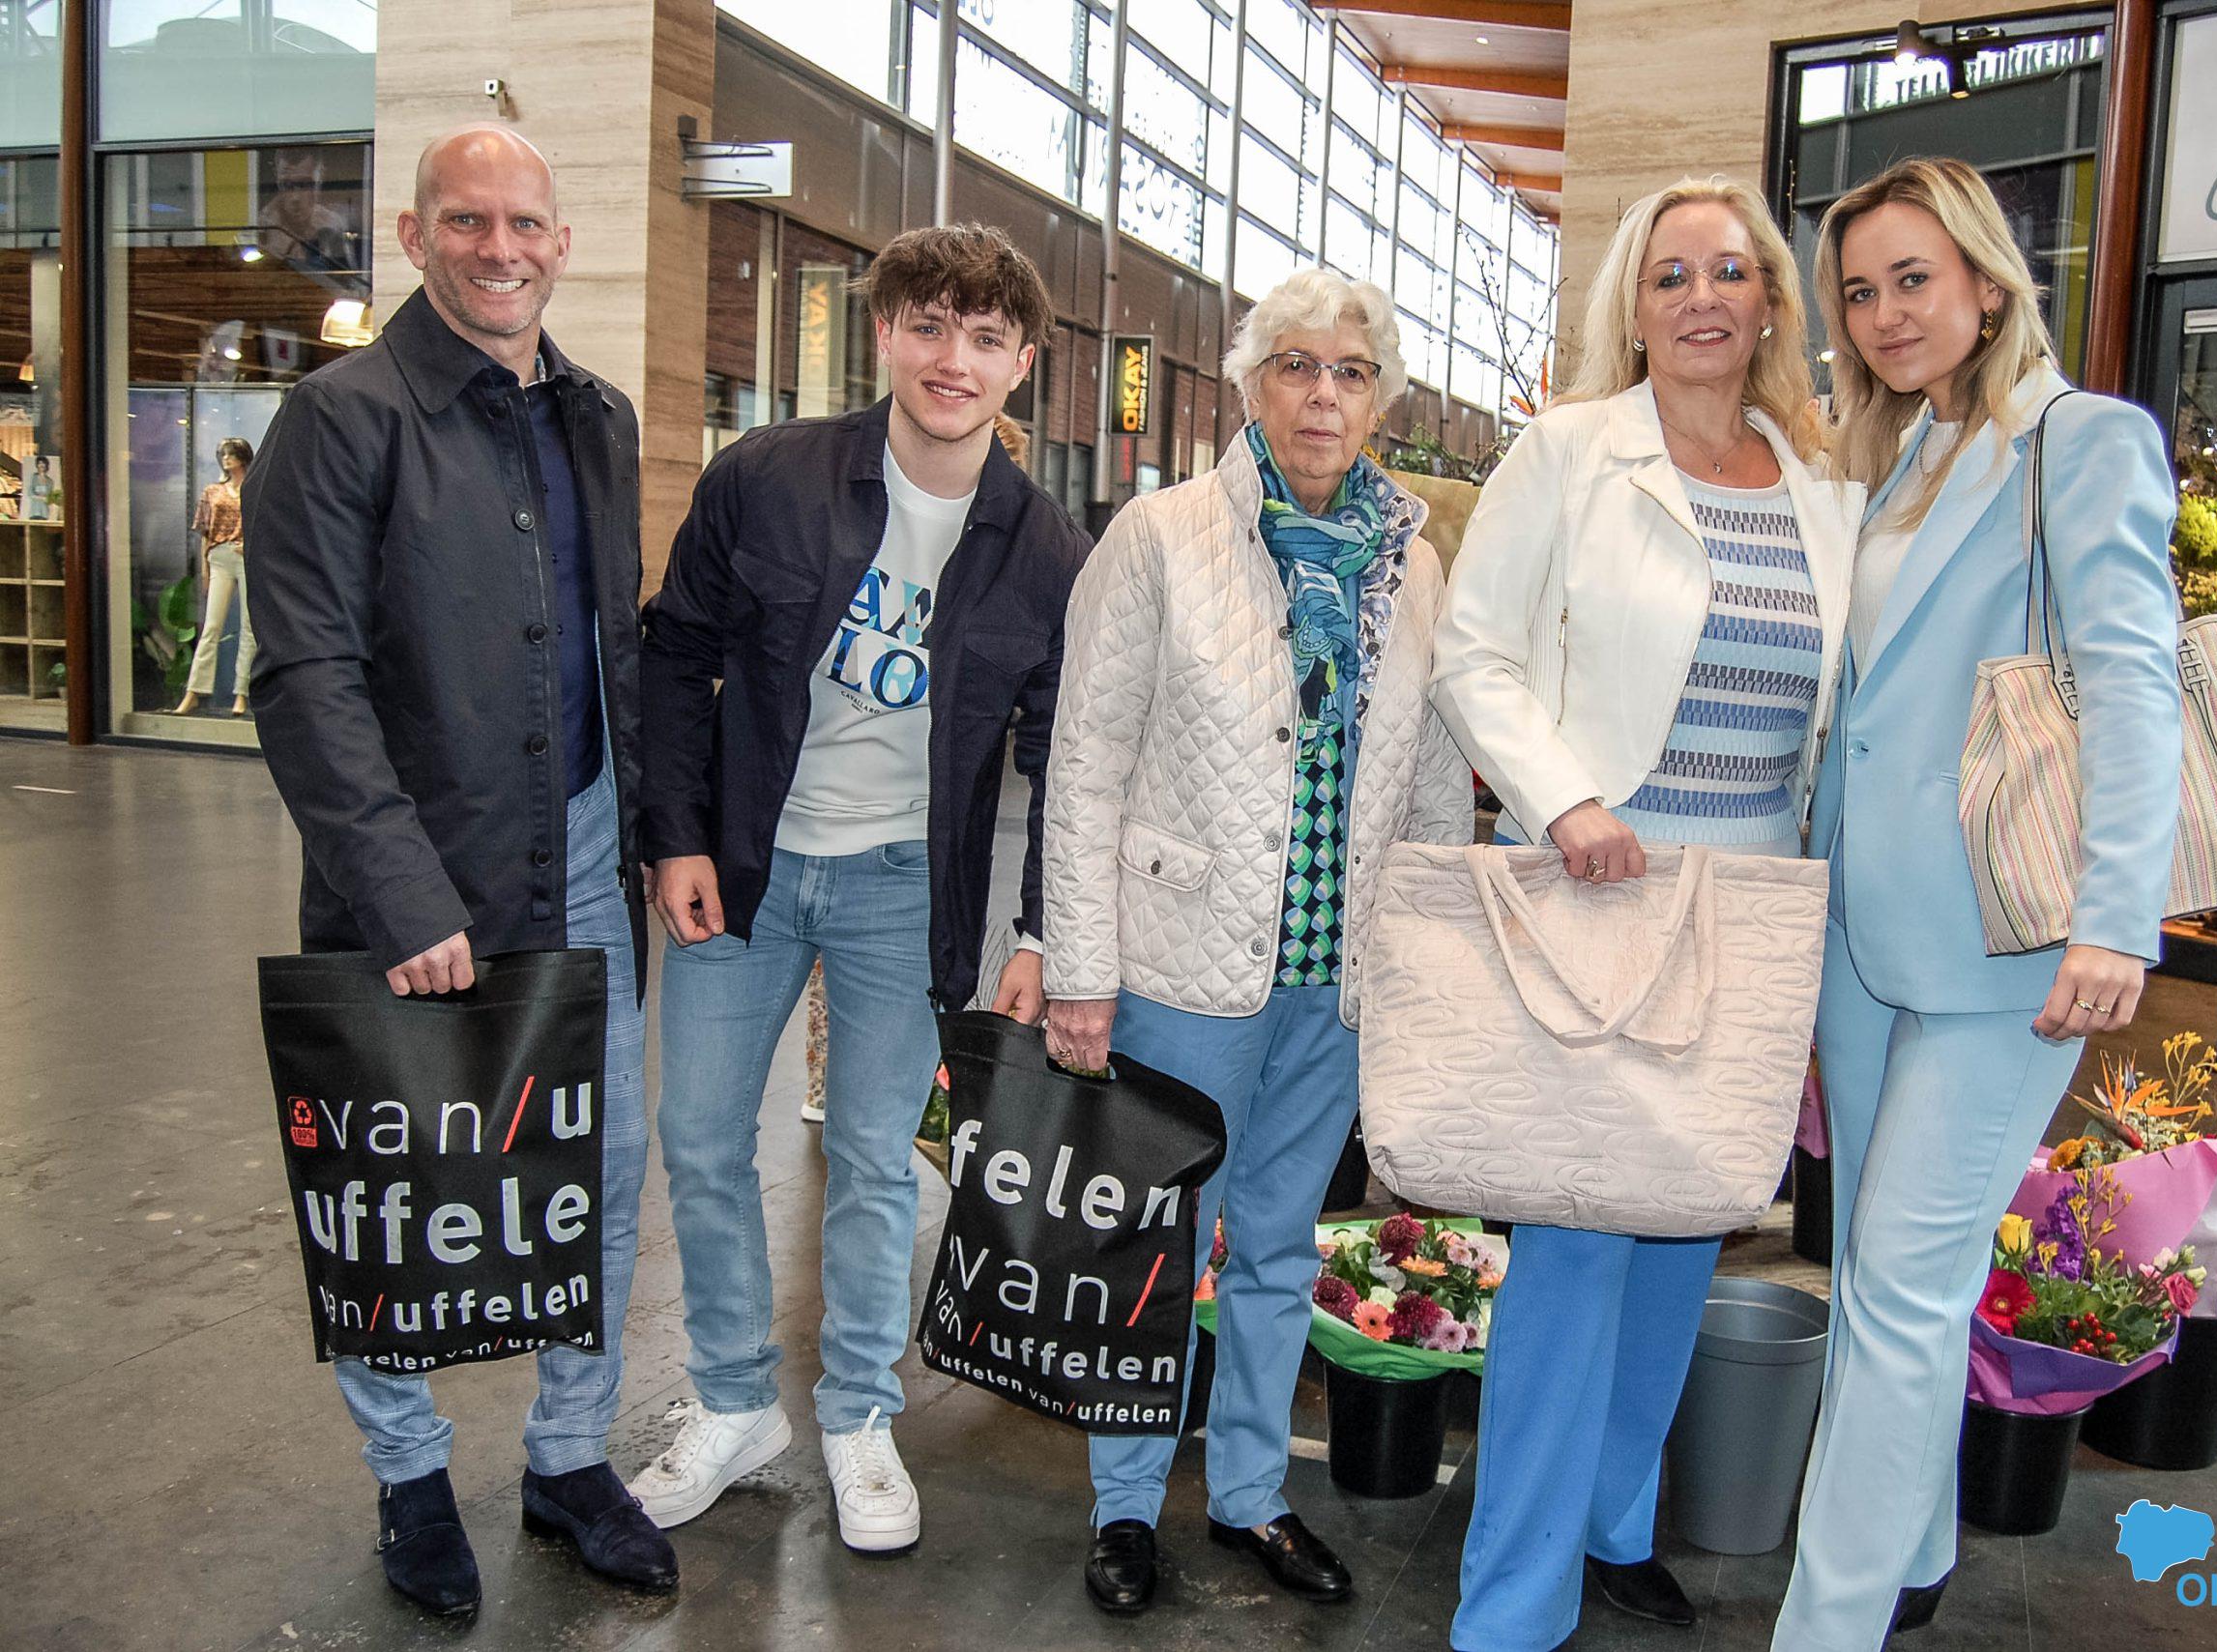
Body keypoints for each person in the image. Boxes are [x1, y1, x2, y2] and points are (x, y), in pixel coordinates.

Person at [1428, 177, 1863, 1652]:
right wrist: (1564, 801)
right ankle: (1513, 1598)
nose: (1701, 298)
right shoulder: (1567, 453)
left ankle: (1617, 1523)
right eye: (1671, 275)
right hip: (1597, 886)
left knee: (1685, 1238)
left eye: (1729, 271)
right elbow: (1475, 656)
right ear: (1634, 305)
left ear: (1770, 300)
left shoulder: (1821, 483)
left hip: (1748, 909)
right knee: (1572, 1251)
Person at [248, 124, 673, 1618]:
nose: (502, 249)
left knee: (595, 1181)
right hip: (418, 883)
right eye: (469, 221)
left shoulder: (600, 417)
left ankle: (569, 1457)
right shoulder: (339, 419)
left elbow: (616, 650)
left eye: (526, 223)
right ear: (415, 234)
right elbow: (305, 677)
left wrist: (659, 836)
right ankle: (411, 1475)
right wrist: (402, 890)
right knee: (398, 1195)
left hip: (587, 866)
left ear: (562, 241)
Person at [1774, 157, 2182, 1651]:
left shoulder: (2080, 439)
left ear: (1987, 281)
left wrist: (2117, 916)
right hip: (1862, 937)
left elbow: (2134, 683)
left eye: (1914, 278)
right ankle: (1918, 1546)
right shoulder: (1894, 461)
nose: (1885, 313)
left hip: (2010, 946)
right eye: (1858, 291)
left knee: (1898, 1288)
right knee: (1881, 1279)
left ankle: (1825, 1628)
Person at [629, 224, 1084, 1554]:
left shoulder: (1045, 549)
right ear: (883, 332)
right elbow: (675, 653)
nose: (954, 359)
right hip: (746, 862)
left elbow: (1066, 753)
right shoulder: (768, 478)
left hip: (902, 883)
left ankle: (859, 1413)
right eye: (928, 325)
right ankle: (732, 1401)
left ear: (1022, 364)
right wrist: (675, 835)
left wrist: (1042, 928)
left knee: (878, 1158)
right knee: (701, 1138)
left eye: (985, 337)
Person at [1043, 266, 1473, 1615]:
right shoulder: (1160, 536)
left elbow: (1435, 784)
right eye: (1295, 365)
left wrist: (1421, 970)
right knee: (1157, 1239)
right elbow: (1084, 764)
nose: (1322, 395)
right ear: (1250, 384)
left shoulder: (1412, 561)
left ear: (1381, 398)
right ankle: (1123, 1505)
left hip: (1334, 981)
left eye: (1350, 371)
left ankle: (1247, 1494)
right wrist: (1079, 970)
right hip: (1184, 968)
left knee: (1282, 1245)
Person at [176, 437, 255, 716]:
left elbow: (266, 523)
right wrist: (204, 569)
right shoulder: (213, 491)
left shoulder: (254, 489)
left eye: (231, 454)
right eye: (223, 455)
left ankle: (241, 693)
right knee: (211, 626)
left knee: (248, 627)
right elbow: (204, 531)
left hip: (246, 557)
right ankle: (194, 691)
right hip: (219, 556)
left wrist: (251, 543)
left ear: (243, 457)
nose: (226, 459)